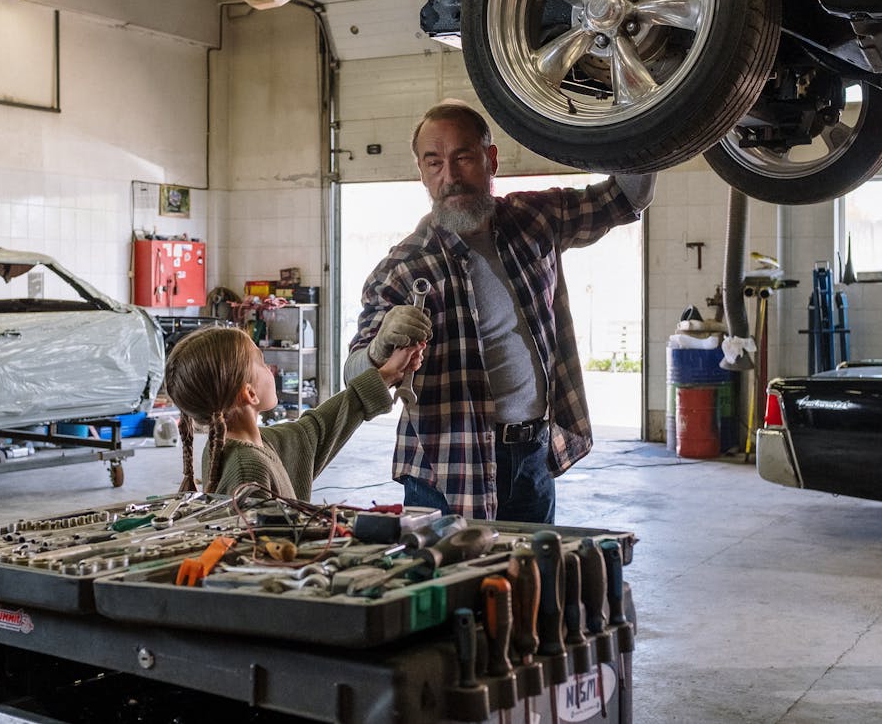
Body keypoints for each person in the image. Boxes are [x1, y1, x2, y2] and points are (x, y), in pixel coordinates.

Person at [344, 100, 656, 523]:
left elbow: (624, 197)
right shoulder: (403, 268)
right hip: (446, 469)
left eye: (463, 158)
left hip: (531, 457)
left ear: (491, 159)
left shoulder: (533, 219)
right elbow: (355, 374)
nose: (449, 177)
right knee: (453, 587)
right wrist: (380, 347)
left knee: (529, 583)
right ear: (421, 172)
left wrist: (650, 111)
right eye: (433, 163)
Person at [166, 325, 423, 500]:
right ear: (249, 394)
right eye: (262, 362)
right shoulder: (249, 469)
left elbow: (316, 429)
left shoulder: (235, 445)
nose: (271, 369)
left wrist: (386, 375)